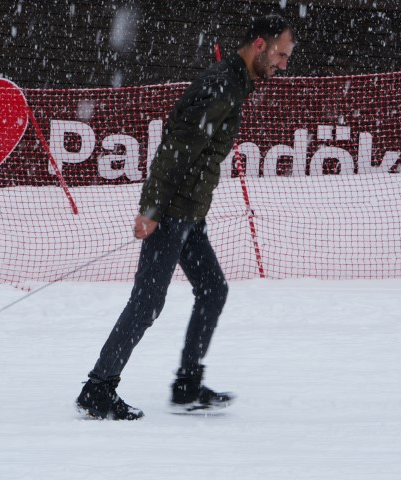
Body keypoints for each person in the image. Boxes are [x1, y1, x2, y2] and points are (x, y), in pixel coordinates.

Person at [76, 15, 297, 420]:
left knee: (213, 289)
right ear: (260, 46)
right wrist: (151, 210)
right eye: (281, 55)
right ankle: (98, 388)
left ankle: (187, 384)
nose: (284, 65)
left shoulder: (235, 84)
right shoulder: (221, 86)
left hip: (190, 215)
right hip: (173, 212)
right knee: (147, 304)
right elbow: (174, 150)